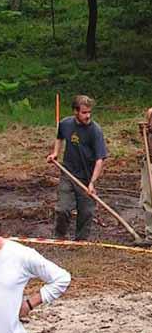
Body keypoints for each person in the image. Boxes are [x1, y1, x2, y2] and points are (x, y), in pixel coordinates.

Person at [47, 94, 108, 241]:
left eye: (89, 112)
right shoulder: (66, 124)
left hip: (86, 178)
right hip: (68, 173)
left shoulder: (95, 131)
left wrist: (92, 183)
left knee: (86, 212)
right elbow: (60, 137)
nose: (88, 116)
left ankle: (80, 242)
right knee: (63, 209)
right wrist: (55, 153)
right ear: (75, 111)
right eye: (84, 112)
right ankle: (59, 238)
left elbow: (100, 159)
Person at [138, 107, 152, 245]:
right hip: (150, 163)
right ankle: (151, 235)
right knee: (148, 199)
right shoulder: (151, 113)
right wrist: (145, 132)